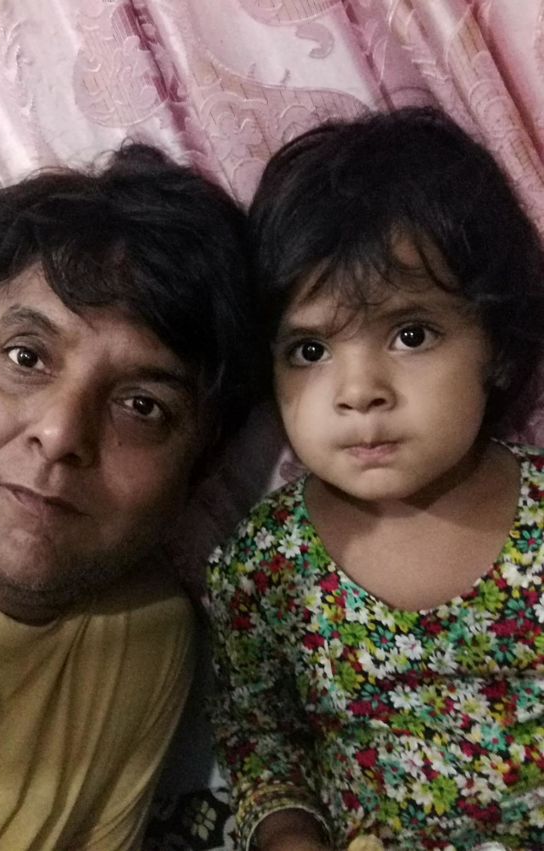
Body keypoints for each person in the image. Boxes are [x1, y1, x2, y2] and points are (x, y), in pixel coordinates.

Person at [206, 106, 544, 851]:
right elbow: (261, 737)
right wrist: (287, 831)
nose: (359, 391)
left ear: (496, 344)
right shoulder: (266, 564)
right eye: (309, 350)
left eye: (411, 334)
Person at [0, 143, 254, 850]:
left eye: (141, 406)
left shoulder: (148, 636)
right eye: (27, 357)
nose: (61, 433)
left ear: (202, 465)